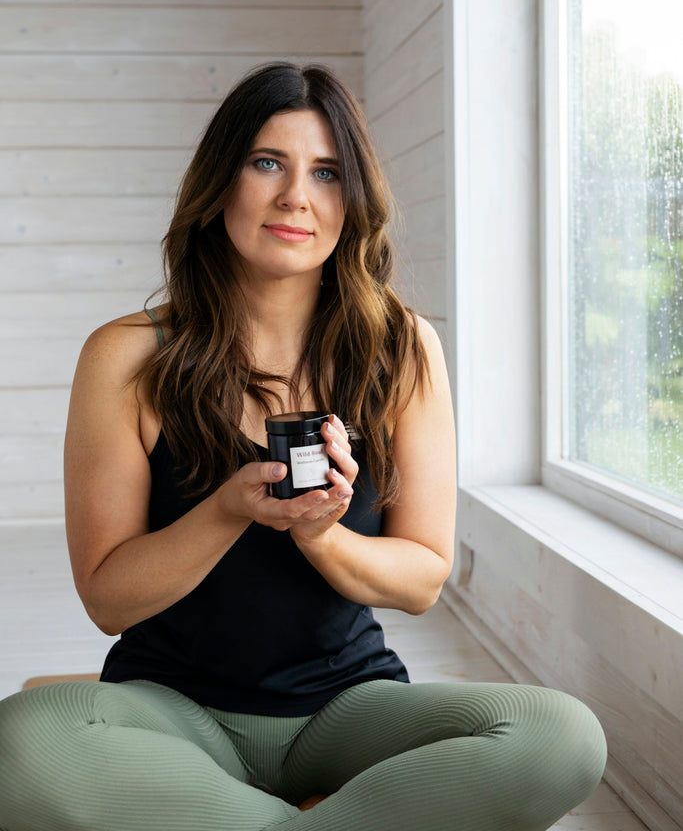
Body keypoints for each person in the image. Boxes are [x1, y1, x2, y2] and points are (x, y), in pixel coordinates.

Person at [0, 62, 606, 831]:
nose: (295, 197)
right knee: (21, 743)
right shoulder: (125, 357)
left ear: (351, 202)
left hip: (348, 709)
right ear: (221, 180)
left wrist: (320, 533)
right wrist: (226, 509)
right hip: (169, 707)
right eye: (266, 164)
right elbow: (108, 600)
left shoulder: (403, 348)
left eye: (325, 173)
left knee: (563, 738)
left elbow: (420, 579)